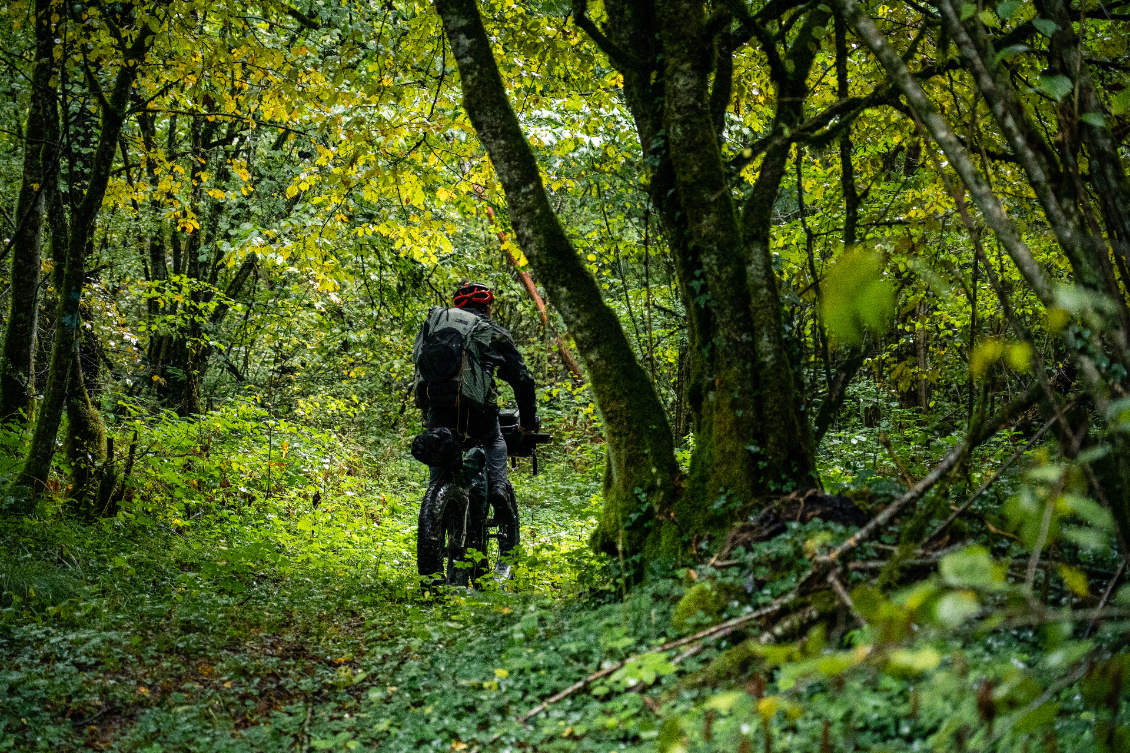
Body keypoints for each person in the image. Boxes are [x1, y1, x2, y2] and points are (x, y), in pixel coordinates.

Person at [413, 281, 539, 578]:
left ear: (457, 307)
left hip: (438, 412)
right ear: (486, 307)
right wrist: (528, 424)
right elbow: (522, 379)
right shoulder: (491, 331)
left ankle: (439, 499)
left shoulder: (435, 324)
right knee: (495, 441)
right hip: (478, 415)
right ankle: (498, 490)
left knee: (442, 462)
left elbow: (420, 363)